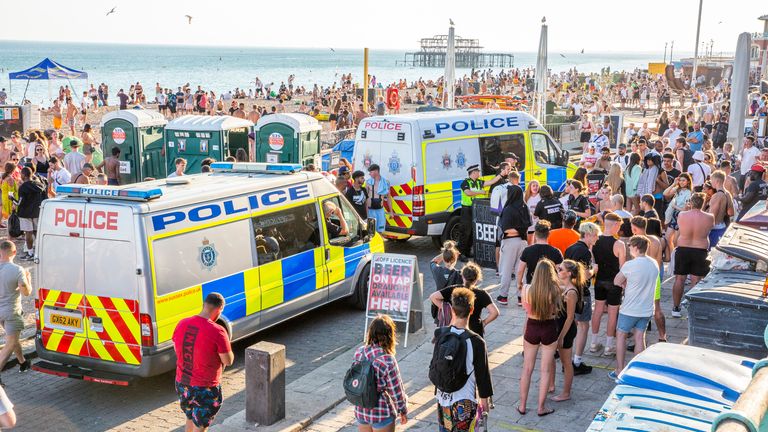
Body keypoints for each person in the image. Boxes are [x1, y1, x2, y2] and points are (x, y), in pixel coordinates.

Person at [172, 292, 234, 432]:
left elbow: (177, 349)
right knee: (200, 426)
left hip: (182, 384)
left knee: (190, 417)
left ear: (204, 305)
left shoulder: (182, 323)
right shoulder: (218, 331)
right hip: (204, 387)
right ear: (219, 310)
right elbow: (228, 360)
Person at [434, 288, 493, 432]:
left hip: (443, 399)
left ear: (452, 310)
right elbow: (482, 375)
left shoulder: (441, 334)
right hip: (465, 401)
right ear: (472, 310)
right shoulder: (476, 341)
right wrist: (485, 402)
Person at [609, 235, 659, 380]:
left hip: (630, 308)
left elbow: (617, 281)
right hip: (646, 309)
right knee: (639, 337)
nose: (629, 248)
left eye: (630, 245)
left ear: (636, 248)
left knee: (621, 336)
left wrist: (626, 284)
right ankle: (637, 370)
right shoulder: (654, 263)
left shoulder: (630, 265)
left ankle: (619, 370)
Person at [518, 260, 560, 417]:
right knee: (545, 370)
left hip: (532, 327)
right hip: (549, 327)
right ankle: (541, 407)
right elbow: (556, 311)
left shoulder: (527, 289)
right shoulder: (555, 289)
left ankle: (522, 405)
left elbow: (525, 309)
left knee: (527, 369)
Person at [353, 315, 408, 431]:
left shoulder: (359, 352)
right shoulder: (387, 359)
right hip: (381, 412)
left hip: (361, 410)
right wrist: (402, 410)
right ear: (389, 336)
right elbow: (396, 390)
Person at [564, 222, 601, 375]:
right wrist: (594, 269)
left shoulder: (570, 248)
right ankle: (576, 362)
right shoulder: (585, 252)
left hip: (568, 291)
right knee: (584, 327)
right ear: (588, 235)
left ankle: (567, 359)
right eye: (596, 235)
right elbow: (584, 275)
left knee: (570, 324)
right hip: (581, 293)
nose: (597, 239)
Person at [589, 213, 626, 357]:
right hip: (614, 282)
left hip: (599, 280)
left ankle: (593, 342)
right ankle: (609, 346)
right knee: (612, 313)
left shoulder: (595, 241)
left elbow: (593, 261)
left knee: (597, 311)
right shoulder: (619, 244)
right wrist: (624, 284)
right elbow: (622, 268)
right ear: (615, 225)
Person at [671, 193, 713, 318]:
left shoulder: (682, 215)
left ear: (691, 202)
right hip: (700, 250)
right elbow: (710, 228)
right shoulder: (709, 217)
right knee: (697, 280)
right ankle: (692, 309)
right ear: (703, 202)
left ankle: (676, 308)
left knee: (679, 279)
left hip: (683, 249)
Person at [429, 262, 499, 337]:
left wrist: (448, 309)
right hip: (474, 330)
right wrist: (484, 322)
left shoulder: (454, 289)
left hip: (456, 328)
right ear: (477, 279)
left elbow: (433, 297)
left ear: (462, 276)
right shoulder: (482, 294)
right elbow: (495, 312)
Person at [551, 259, 587, 402]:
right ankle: (552, 385)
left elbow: (570, 317)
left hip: (565, 329)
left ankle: (566, 393)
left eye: (560, 269)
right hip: (559, 327)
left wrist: (561, 337)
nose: (558, 271)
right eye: (558, 268)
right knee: (560, 361)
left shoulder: (571, 292)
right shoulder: (562, 286)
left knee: (566, 362)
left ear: (569, 273)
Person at [0, 240, 32, 388]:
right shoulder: (18, 270)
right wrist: (29, 280)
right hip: (11, 311)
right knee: (11, 342)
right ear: (14, 252)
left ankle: (22, 362)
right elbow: (26, 292)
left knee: (13, 337)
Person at [630, 216, 666, 342]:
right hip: (654, 276)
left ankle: (638, 341)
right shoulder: (656, 240)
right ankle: (663, 337)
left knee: (638, 310)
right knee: (657, 308)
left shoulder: (635, 242)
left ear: (634, 228)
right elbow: (660, 262)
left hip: (641, 279)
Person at [497, 184, 531, 306]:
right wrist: (521, 230)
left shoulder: (508, 209)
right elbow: (527, 226)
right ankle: (520, 297)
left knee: (506, 270)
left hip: (510, 242)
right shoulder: (524, 207)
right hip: (523, 242)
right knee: (519, 270)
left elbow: (506, 229)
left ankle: (503, 296)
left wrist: (517, 230)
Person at [518, 221, 563, 294]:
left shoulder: (527, 250)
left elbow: (520, 271)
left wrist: (519, 283)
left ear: (535, 234)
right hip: (550, 289)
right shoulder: (556, 252)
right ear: (548, 234)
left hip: (532, 287)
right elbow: (560, 272)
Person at [17, 167, 45, 260]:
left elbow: (20, 202)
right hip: (37, 212)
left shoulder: (23, 187)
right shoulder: (40, 185)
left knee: (28, 233)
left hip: (25, 213)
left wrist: (13, 201)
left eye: (21, 174)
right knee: (37, 232)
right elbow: (45, 197)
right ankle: (40, 251)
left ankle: (30, 253)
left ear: (24, 175)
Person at [365, 164, 391, 235]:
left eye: (371, 172)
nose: (369, 174)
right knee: (371, 232)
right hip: (370, 211)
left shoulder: (386, 183)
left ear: (376, 171)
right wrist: (366, 213)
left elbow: (388, 197)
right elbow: (366, 198)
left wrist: (391, 212)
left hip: (380, 211)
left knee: (380, 232)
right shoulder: (368, 182)